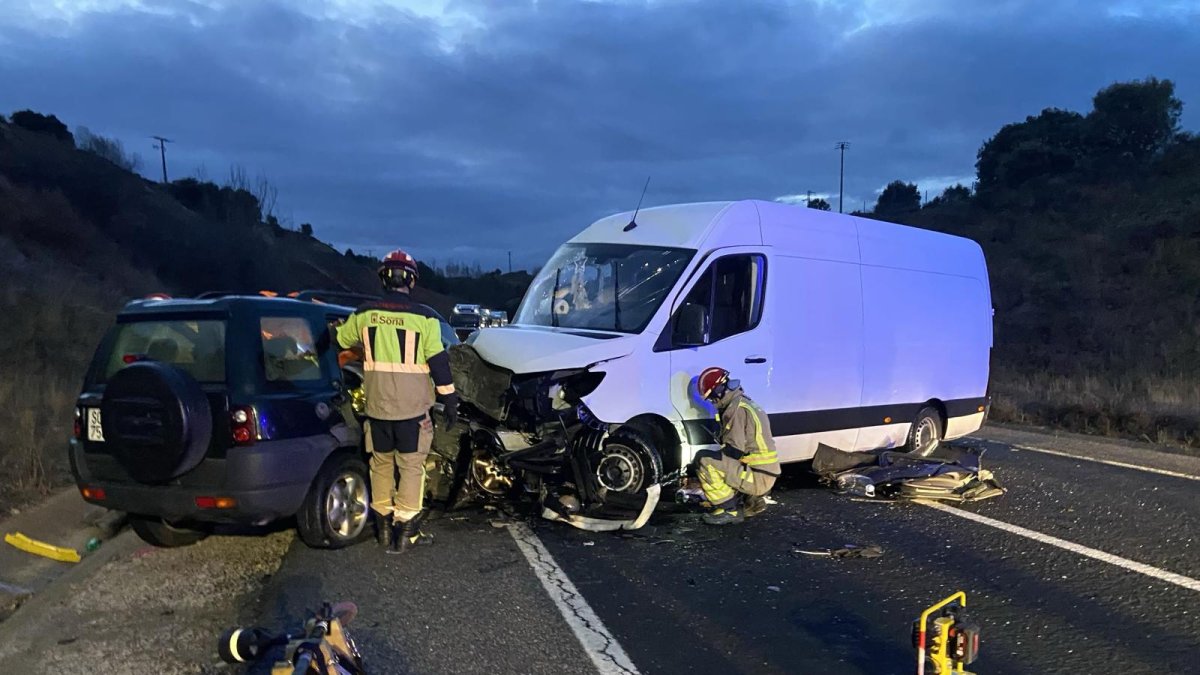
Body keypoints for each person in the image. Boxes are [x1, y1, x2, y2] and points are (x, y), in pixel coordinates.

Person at [336, 249, 458, 554]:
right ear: (411, 281)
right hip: (412, 412)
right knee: (411, 468)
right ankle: (406, 534)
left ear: (383, 279)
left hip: (377, 409)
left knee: (380, 466)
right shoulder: (425, 318)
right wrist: (450, 399)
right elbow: (438, 362)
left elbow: (341, 340)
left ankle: (383, 529)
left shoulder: (364, 314)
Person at [693, 367, 781, 525]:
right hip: (763, 473)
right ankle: (747, 498)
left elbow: (734, 451)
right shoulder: (743, 403)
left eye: (712, 398)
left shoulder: (735, 410)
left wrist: (712, 456)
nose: (713, 402)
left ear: (719, 390)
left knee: (704, 460)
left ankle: (729, 510)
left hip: (758, 477)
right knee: (718, 460)